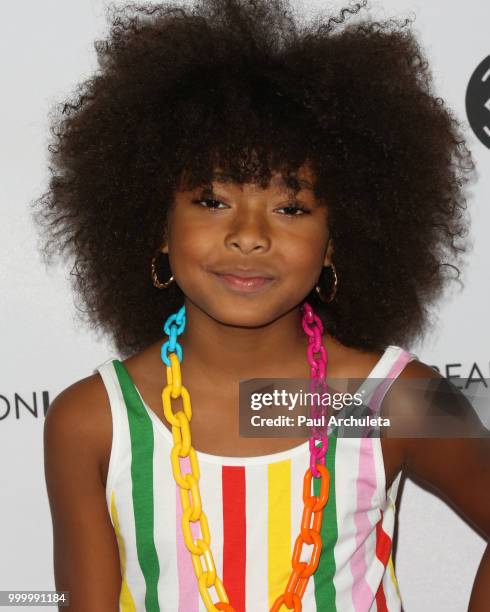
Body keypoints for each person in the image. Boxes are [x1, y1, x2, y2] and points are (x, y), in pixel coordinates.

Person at [34, 0, 490, 610]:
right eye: (212, 200)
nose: (249, 234)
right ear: (156, 226)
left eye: (291, 207)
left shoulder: (397, 400)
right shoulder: (89, 421)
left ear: (337, 240)